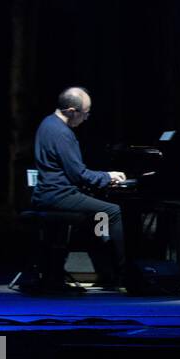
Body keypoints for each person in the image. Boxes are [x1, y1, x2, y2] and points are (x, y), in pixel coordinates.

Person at [29, 87, 129, 287]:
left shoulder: (47, 123)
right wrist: (107, 176)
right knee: (112, 211)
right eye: (85, 113)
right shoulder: (62, 133)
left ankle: (105, 273)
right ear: (72, 111)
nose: (86, 118)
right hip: (58, 195)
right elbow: (78, 174)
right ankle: (124, 273)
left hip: (46, 193)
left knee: (95, 218)